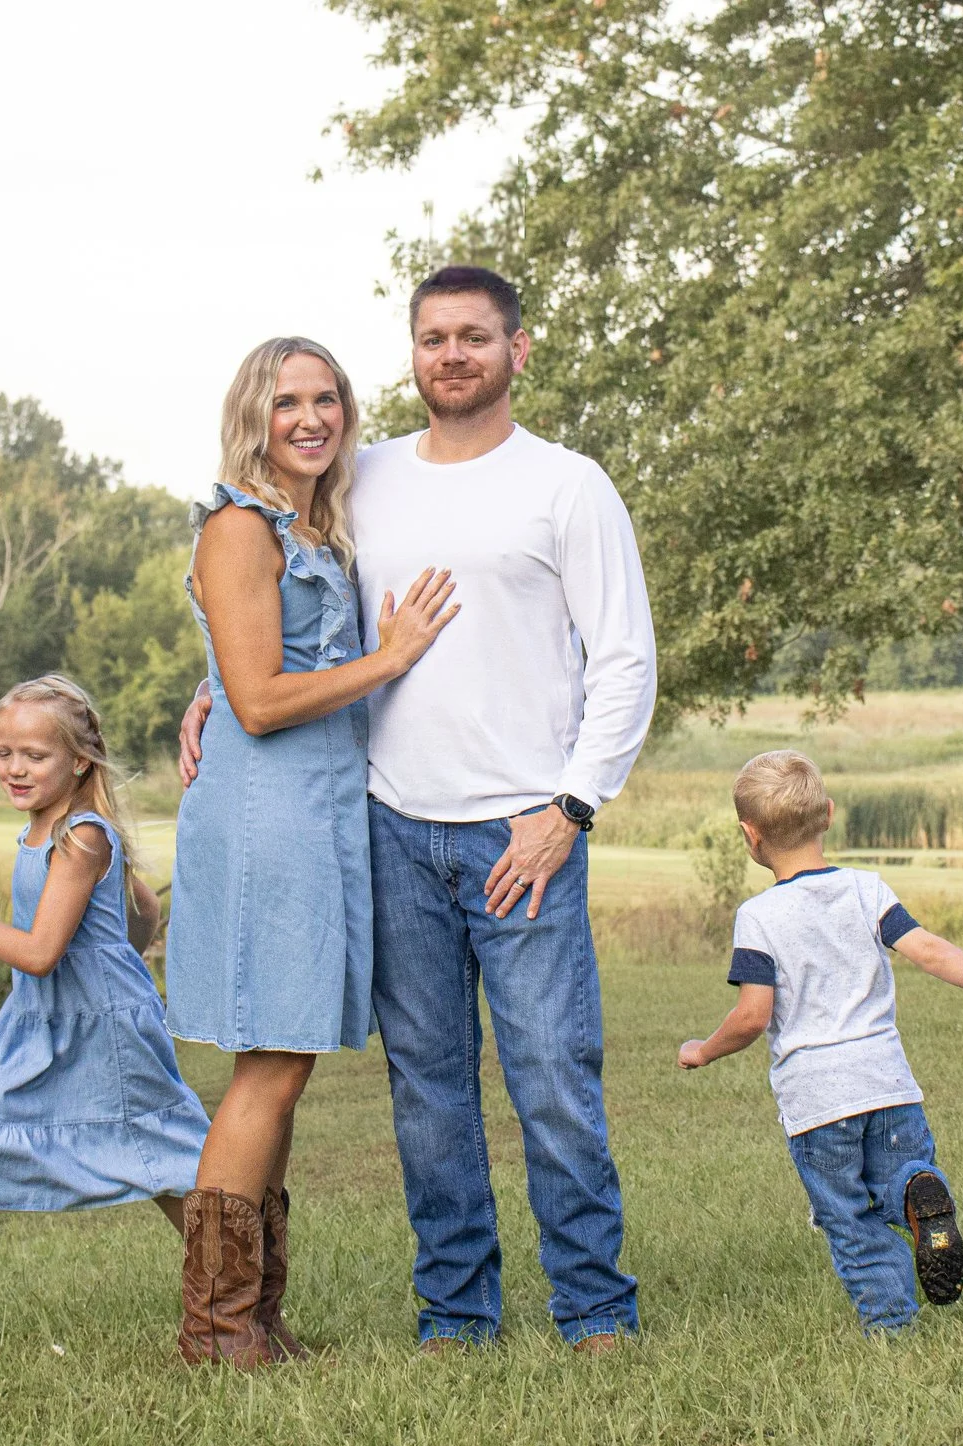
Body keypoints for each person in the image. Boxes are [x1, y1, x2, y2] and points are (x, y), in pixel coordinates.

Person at [180, 265, 657, 1354]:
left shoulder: (567, 484)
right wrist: (212, 686)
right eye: (433, 337)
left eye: (474, 338)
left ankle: (594, 1308)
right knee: (427, 1096)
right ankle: (457, 1314)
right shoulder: (365, 477)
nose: (452, 354)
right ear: (411, 354)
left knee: (551, 1081)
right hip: (387, 827)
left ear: (515, 351)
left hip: (520, 830)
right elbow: (289, 620)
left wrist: (570, 809)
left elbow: (624, 661)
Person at [164, 336, 459, 1368]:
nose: (310, 417)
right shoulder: (240, 528)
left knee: (280, 1062)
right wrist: (389, 660)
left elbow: (233, 678)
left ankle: (254, 1318)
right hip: (267, 820)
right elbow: (258, 699)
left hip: (319, 813)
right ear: (253, 411)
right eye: (288, 400)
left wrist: (210, 687)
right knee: (271, 1063)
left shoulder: (310, 527)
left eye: (327, 398)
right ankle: (216, 1330)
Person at [0, 676, 210, 1354]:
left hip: (100, 1027)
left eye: (34, 755)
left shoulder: (83, 838)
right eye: (4, 753)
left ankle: (238, 1285)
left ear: (79, 760)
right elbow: (141, 907)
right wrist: (121, 955)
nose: (15, 769)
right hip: (42, 1022)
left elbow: (41, 953)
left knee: (162, 1158)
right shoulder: (44, 829)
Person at [678, 751, 963, 1333]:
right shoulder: (865, 890)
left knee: (849, 1219)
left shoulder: (758, 917)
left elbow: (754, 1016)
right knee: (894, 1178)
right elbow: (929, 950)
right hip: (888, 1084)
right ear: (828, 814)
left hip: (818, 1103)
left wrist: (703, 1049)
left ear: (749, 835)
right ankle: (913, 1187)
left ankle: (892, 1325)